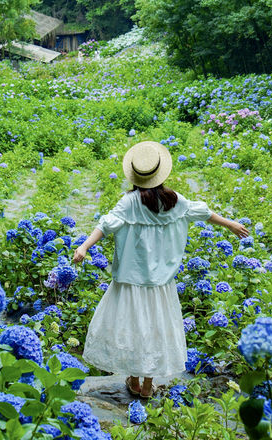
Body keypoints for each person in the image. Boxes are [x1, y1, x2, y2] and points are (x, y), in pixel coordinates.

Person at [72, 140, 249, 399]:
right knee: (155, 328)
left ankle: (133, 378)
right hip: (161, 284)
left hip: (132, 281)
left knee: (132, 328)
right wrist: (230, 224)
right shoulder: (174, 200)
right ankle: (145, 385)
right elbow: (204, 212)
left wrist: (84, 246)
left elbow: (106, 225)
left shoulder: (129, 202)